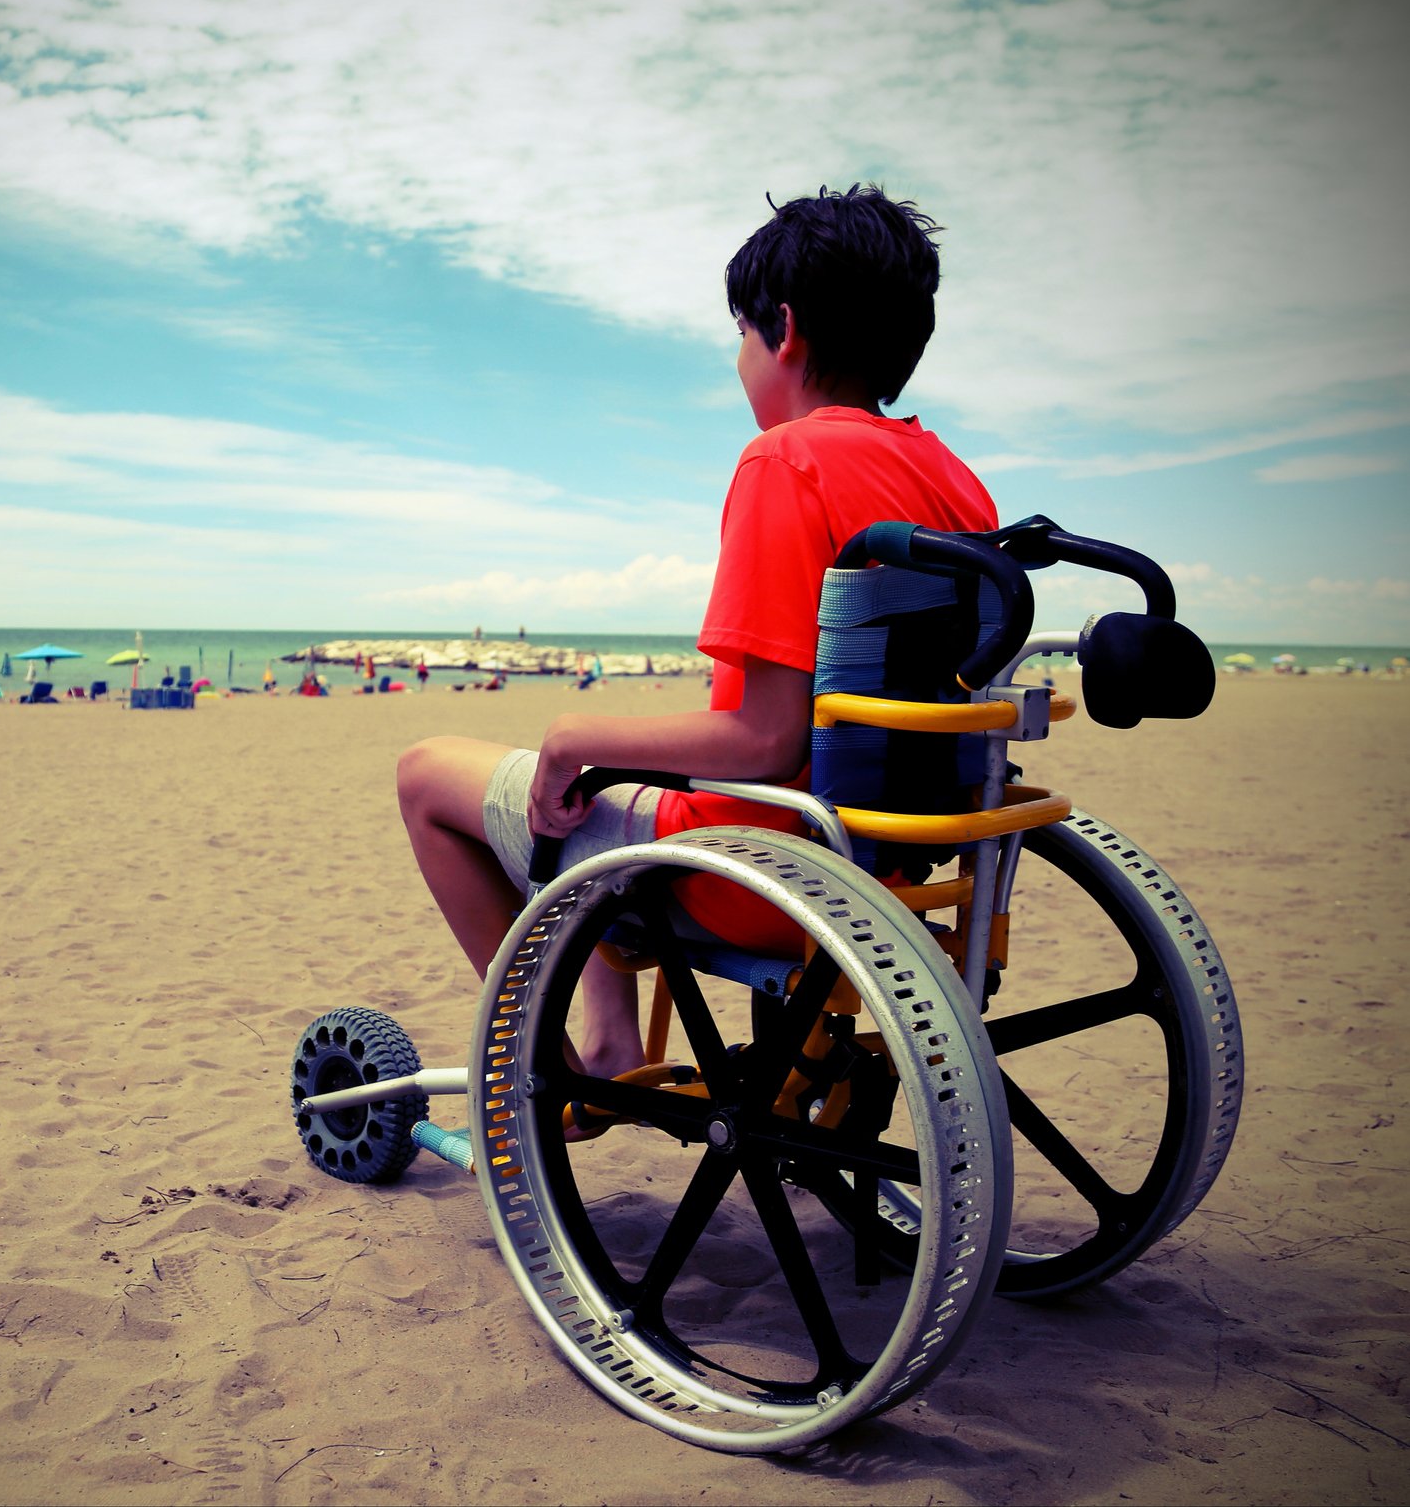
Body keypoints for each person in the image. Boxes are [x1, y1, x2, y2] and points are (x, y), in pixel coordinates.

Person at [396, 184, 997, 1080]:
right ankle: (608, 1041)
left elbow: (763, 737)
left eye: (742, 335)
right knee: (594, 786)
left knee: (433, 774)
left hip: (756, 873)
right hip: (889, 864)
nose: (740, 356)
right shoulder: (956, 485)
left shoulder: (785, 460)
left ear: (783, 330)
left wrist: (568, 739)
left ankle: (548, 1075)